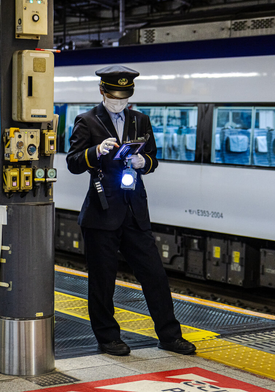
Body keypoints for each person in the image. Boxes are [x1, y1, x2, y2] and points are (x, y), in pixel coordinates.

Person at [66, 65, 196, 356]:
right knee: (102, 281)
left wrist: (143, 163)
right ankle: (108, 337)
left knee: (155, 276)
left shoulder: (141, 120)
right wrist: (95, 152)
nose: (119, 102)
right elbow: (73, 162)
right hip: (102, 212)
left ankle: (169, 336)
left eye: (124, 97)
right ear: (102, 91)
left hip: (135, 211)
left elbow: (153, 158)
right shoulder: (86, 120)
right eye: (114, 96)